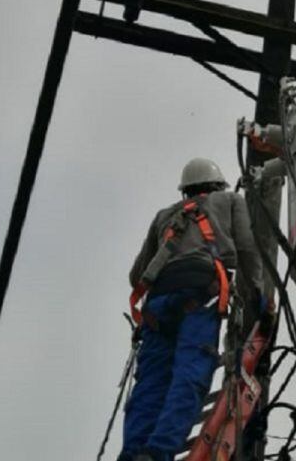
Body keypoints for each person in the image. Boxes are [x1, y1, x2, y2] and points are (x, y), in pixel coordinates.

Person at [118, 158, 264, 461]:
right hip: (201, 294)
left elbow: (137, 276)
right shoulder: (230, 201)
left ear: (186, 191)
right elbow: (248, 251)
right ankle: (158, 452)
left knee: (151, 384)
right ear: (217, 185)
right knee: (189, 374)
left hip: (158, 305)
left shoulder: (164, 216)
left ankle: (133, 454)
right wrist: (259, 297)